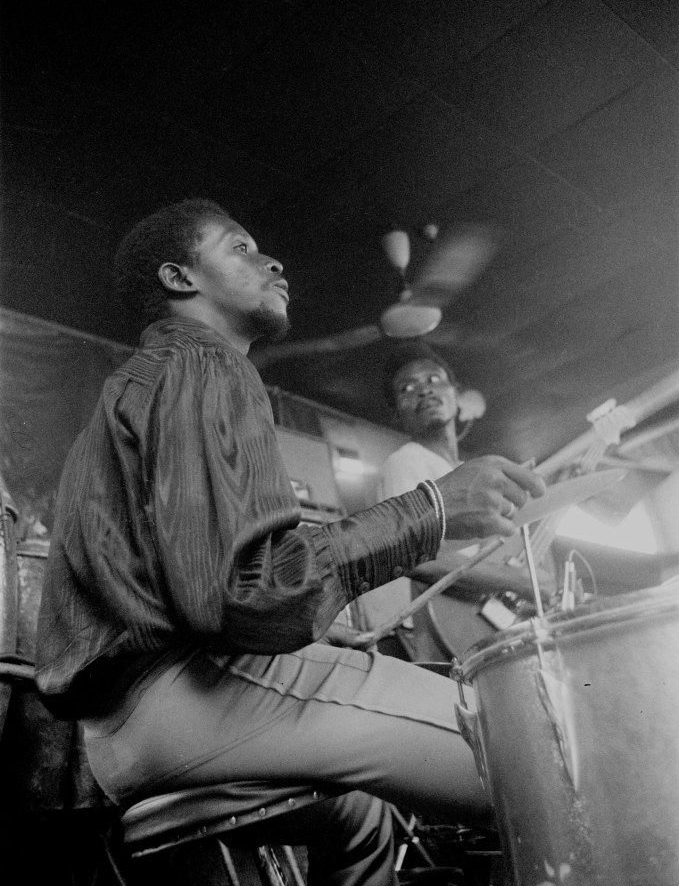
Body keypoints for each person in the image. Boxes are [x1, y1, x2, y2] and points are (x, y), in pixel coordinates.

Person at [35, 198, 545, 886]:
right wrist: (431, 507)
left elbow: (204, 585)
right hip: (188, 697)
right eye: (239, 247)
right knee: (549, 756)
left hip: (118, 737)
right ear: (182, 280)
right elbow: (242, 593)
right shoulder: (201, 364)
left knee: (361, 818)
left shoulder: (142, 385)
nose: (271, 260)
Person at [354, 343, 477, 660]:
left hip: (454, 621)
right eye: (407, 388)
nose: (424, 391)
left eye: (434, 379)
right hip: (414, 633)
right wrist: (517, 582)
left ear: (456, 393)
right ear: (396, 414)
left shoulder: (463, 473)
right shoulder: (406, 461)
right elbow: (415, 557)